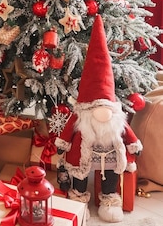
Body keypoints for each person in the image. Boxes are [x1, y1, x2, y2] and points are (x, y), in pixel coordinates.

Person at [55, 15, 142, 223]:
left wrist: (134, 145)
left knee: (111, 176)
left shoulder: (117, 118)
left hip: (111, 155)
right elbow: (68, 131)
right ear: (86, 107)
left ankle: (110, 199)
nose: (101, 113)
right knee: (79, 175)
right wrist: (63, 144)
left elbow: (127, 134)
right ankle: (78, 198)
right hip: (82, 155)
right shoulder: (80, 115)